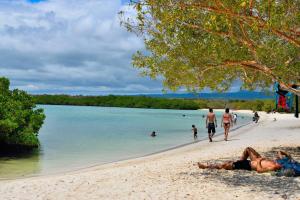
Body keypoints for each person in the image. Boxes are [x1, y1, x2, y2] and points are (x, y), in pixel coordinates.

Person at [197, 147, 282, 173]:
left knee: (225, 165)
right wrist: (282, 153)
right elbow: (280, 154)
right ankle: (238, 162)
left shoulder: (274, 167)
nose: (278, 159)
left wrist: (259, 161)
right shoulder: (277, 163)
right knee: (248, 149)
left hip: (249, 165)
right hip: (251, 161)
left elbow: (259, 170)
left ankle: (206, 166)